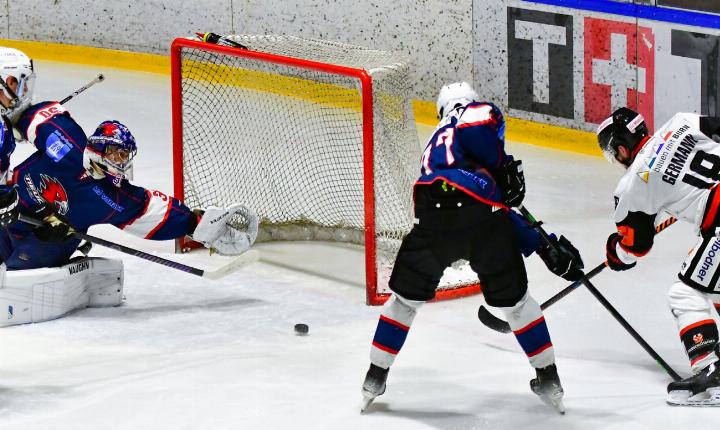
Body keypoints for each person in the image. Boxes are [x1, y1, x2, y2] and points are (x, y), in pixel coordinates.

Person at [360, 82, 585, 413]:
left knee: (404, 302)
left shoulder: (435, 144)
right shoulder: (471, 112)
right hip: (482, 218)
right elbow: (480, 147)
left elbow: (485, 201)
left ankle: (374, 376)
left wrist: (539, 241)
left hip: (432, 217)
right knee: (518, 304)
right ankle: (549, 378)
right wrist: (540, 241)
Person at [597, 107, 720, 406]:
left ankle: (711, 374)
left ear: (621, 149)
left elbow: (635, 247)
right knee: (715, 284)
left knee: (685, 294)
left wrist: (616, 252)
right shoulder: (682, 121)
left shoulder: (633, 184)